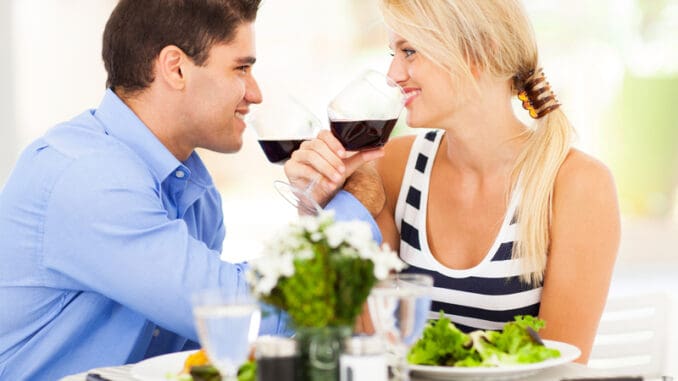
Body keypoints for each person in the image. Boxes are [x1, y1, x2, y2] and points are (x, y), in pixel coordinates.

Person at [0, 0, 379, 378]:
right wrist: (356, 202)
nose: (255, 93)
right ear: (175, 67)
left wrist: (315, 209)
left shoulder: (195, 191)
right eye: (241, 68)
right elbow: (250, 317)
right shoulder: (88, 176)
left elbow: (216, 346)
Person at [284, 0, 621, 363]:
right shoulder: (396, 166)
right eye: (393, 53)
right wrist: (315, 208)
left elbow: (561, 366)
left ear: (480, 52)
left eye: (409, 51)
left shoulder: (578, 186)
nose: (393, 75)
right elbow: (360, 332)